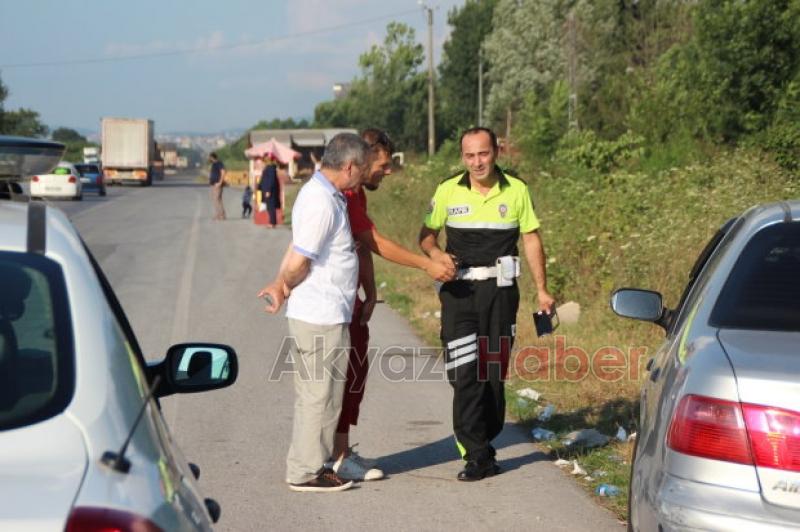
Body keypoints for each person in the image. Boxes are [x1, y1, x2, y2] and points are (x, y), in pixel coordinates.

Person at [418, 126, 556, 481]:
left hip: (501, 294)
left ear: (497, 151)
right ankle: (476, 454)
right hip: (459, 295)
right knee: (465, 374)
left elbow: (531, 240)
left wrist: (542, 290)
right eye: (470, 155)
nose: (477, 162)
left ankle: (486, 438)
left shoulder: (518, 190)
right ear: (462, 157)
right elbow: (426, 235)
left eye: (483, 154)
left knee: (492, 374)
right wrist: (435, 253)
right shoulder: (448, 190)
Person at [330, 129, 456, 482]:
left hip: (350, 299)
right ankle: (335, 458)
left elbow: (361, 244)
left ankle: (339, 453)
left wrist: (369, 291)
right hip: (332, 304)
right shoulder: (347, 193)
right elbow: (374, 240)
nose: (388, 172)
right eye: (383, 165)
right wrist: (427, 264)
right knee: (340, 380)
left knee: (354, 377)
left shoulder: (357, 195)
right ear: (364, 157)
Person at [258, 133, 371, 493]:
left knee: (323, 395)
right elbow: (300, 258)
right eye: (363, 169)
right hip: (319, 315)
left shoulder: (327, 195)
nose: (364, 176)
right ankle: (305, 471)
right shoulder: (322, 200)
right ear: (349, 165)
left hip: (327, 312)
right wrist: (283, 283)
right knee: (318, 396)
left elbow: (297, 245)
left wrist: (280, 283)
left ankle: (315, 465)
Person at [258, 156, 280, 228]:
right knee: (269, 206)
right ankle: (272, 222)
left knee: (271, 207)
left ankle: (272, 222)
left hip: (269, 191)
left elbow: (271, 180)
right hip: (267, 190)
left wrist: (268, 190)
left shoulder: (270, 168)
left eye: (263, 161)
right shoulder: (268, 168)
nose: (262, 163)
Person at [208, 152, 226, 221]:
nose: (209, 159)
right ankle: (222, 215)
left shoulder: (219, 163)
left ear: (212, 157)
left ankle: (219, 215)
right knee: (218, 200)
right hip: (213, 184)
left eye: (209, 157)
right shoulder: (214, 164)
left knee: (216, 200)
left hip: (217, 184)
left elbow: (223, 172)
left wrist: (220, 182)